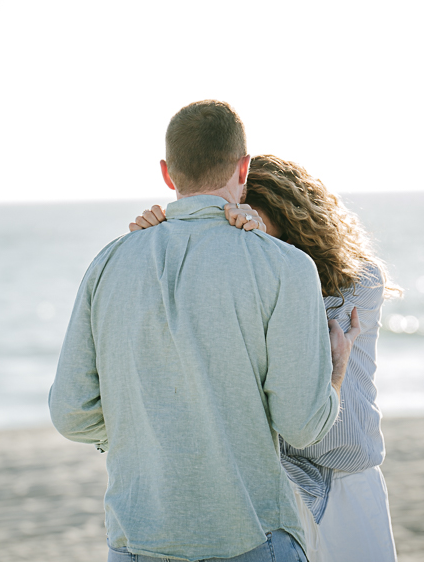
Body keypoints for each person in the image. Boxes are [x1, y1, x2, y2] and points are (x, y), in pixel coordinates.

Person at [49, 101, 360, 562]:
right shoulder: (285, 267)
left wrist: (153, 428)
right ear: (244, 168)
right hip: (251, 542)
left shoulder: (108, 263)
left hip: (136, 545)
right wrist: (335, 372)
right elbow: (302, 425)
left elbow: (70, 413)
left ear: (167, 174)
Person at [132, 153, 400, 562]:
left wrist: (259, 257)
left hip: (346, 477)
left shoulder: (359, 278)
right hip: (278, 486)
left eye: (249, 220)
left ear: (291, 219)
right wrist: (156, 244)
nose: (238, 235)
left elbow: (304, 337)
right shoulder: (244, 280)